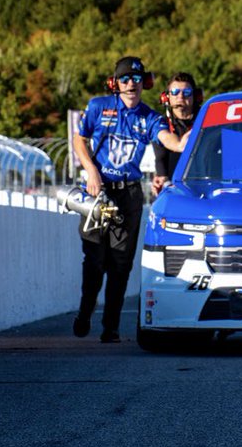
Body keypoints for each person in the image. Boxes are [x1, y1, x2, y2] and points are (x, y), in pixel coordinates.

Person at [71, 55, 189, 343]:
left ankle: (110, 327)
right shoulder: (99, 107)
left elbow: (168, 139)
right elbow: (79, 139)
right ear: (115, 83)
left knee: (120, 264)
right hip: (98, 192)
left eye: (137, 79)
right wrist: (90, 171)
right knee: (95, 259)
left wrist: (184, 140)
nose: (131, 84)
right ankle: (85, 312)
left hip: (129, 195)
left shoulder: (149, 117)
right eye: (125, 79)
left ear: (144, 83)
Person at [152, 71, 202, 197]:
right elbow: (160, 159)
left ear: (195, 96)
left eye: (186, 92)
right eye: (175, 92)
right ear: (166, 96)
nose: (180, 96)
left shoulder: (206, 122)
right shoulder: (160, 124)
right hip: (174, 189)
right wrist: (162, 179)